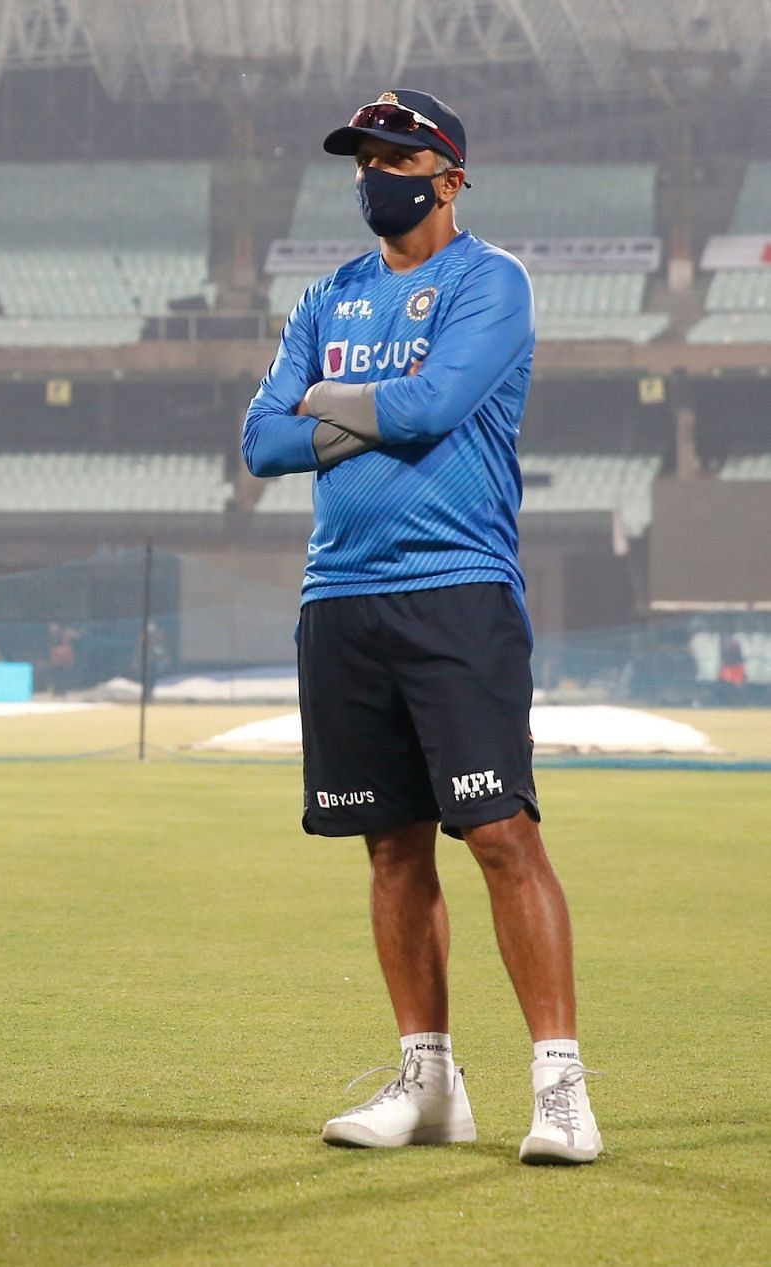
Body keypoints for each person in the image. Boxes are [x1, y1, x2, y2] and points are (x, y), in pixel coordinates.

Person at [242, 90, 601, 1165]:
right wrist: (363, 407)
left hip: (457, 587)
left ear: (447, 176)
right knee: (388, 847)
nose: (371, 175)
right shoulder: (327, 294)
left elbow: (433, 406)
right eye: (361, 157)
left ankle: (561, 1088)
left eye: (392, 155)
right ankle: (428, 1082)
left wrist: (325, 405)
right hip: (337, 598)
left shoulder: (489, 281)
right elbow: (260, 444)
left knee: (500, 833)